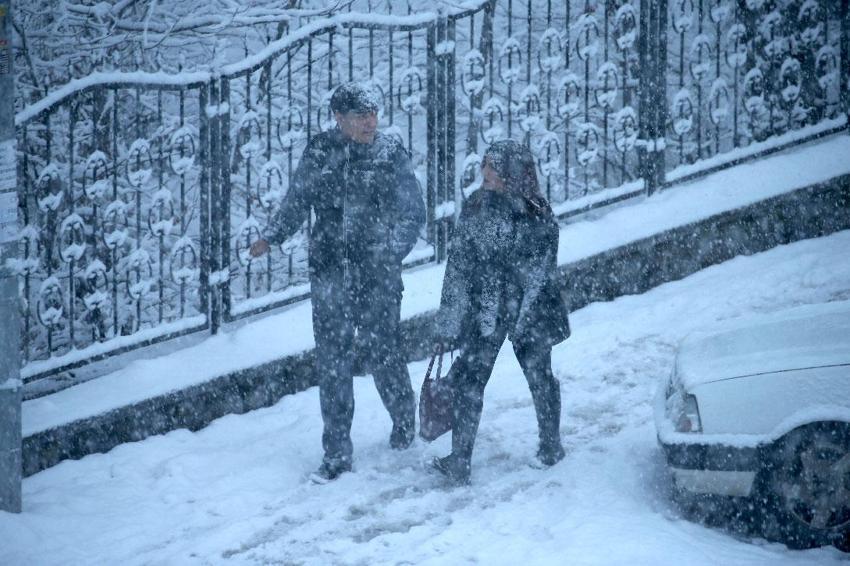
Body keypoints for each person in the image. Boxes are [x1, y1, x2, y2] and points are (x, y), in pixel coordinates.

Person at [249, 82, 426, 483]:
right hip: (330, 275)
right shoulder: (320, 152)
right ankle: (336, 453)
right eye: (361, 116)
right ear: (339, 118)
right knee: (332, 363)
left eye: (374, 114)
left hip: (377, 277)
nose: (370, 123)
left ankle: (403, 422)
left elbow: (413, 212)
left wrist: (389, 253)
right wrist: (272, 236)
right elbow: (297, 200)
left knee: (384, 353)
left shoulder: (389, 153)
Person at [431, 139, 571, 485]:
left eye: (493, 166)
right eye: (485, 164)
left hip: (530, 309)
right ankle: (460, 459)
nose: (485, 172)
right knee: (470, 380)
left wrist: (522, 309)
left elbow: (541, 270)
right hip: (486, 308)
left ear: (513, 172)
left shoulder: (537, 211)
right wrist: (448, 322)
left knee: (539, 377)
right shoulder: (476, 205)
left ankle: (551, 446)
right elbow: (458, 266)